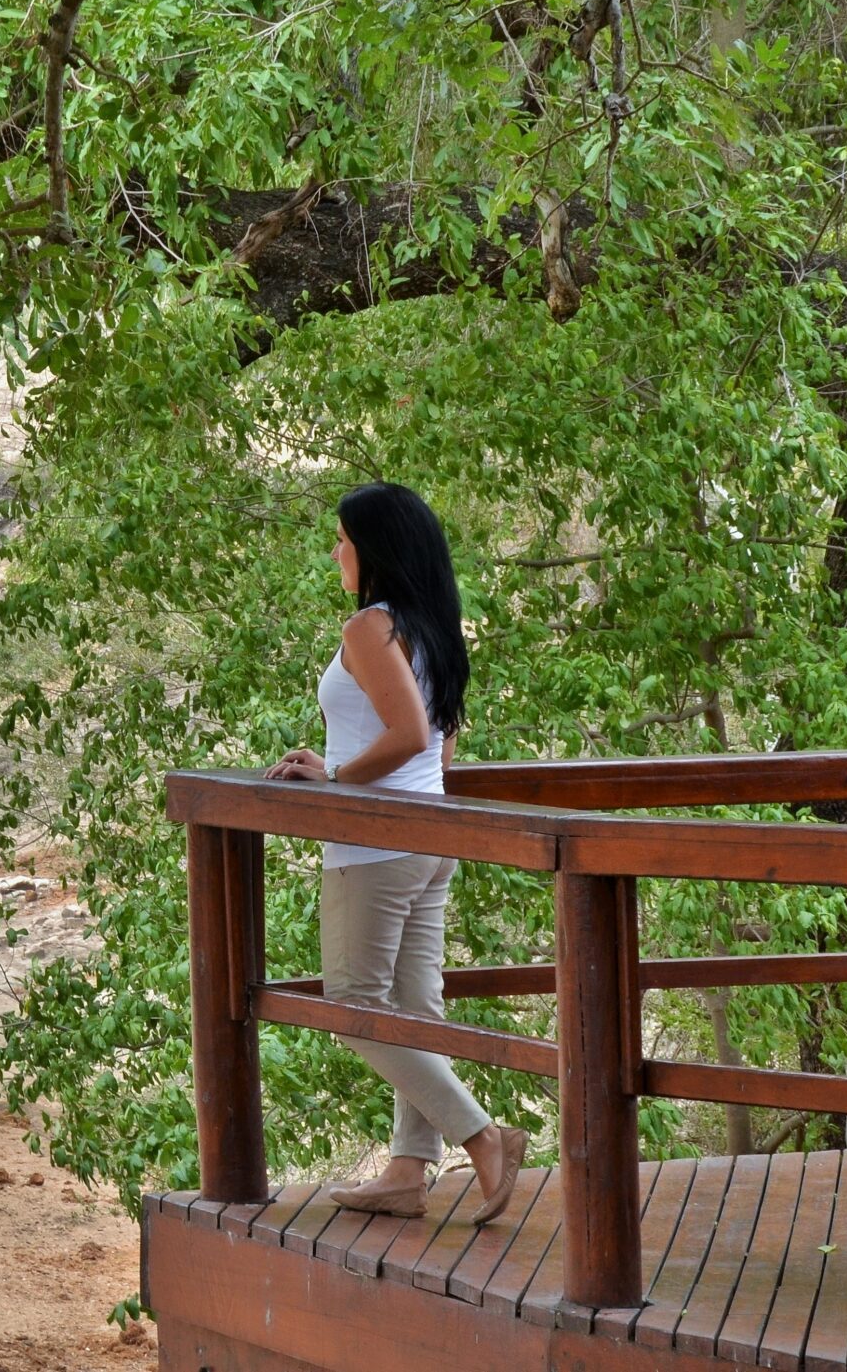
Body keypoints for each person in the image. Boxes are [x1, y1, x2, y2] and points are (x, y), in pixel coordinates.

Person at [264, 482, 529, 1222]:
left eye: (344, 537)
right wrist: (343, 759)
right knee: (414, 1008)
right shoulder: (431, 625)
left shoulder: (369, 627)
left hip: (375, 844)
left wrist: (338, 774)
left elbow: (410, 735)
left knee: (353, 1005)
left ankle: (483, 1138)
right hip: (429, 835)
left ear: (375, 548)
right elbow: (439, 741)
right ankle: (409, 1171)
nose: (336, 550)